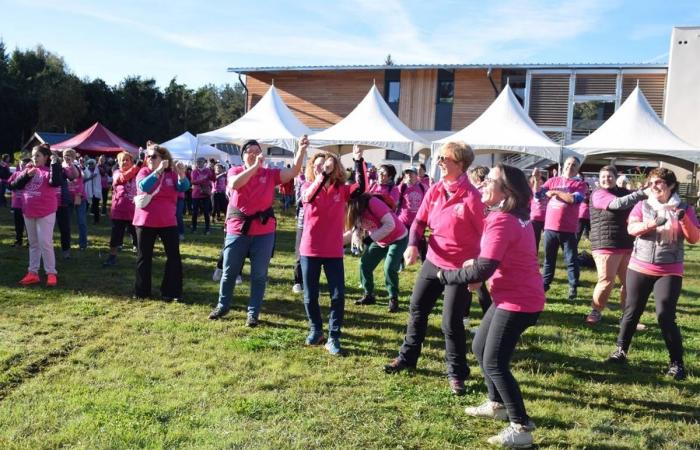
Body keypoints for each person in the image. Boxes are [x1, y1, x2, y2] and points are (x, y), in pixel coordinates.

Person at [437, 164, 543, 448]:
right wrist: (478, 265)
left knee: (495, 362)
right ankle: (496, 404)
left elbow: (483, 269)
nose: (482, 183)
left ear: (505, 191)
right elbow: (495, 259)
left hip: (518, 301)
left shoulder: (504, 220)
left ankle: (521, 427)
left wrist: (445, 276)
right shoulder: (512, 217)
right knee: (480, 348)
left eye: (489, 180)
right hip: (512, 296)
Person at [384, 142, 485, 396]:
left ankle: (457, 372)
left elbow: (486, 235)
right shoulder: (436, 189)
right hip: (433, 260)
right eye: (440, 157)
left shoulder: (472, 197)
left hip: (459, 269)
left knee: (451, 323)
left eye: (445, 158)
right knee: (417, 309)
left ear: (460, 164)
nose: (439, 161)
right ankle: (408, 357)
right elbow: (419, 221)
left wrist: (479, 270)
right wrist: (413, 245)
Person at [606, 168, 699, 381]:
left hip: (670, 269)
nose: (654, 186)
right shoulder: (643, 205)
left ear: (671, 185)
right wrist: (652, 223)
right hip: (640, 266)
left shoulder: (685, 207)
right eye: (651, 182)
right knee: (631, 312)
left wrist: (683, 219)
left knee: (665, 316)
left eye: (659, 182)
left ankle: (677, 363)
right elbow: (632, 229)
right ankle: (620, 352)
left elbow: (694, 238)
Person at [208, 138, 308, 326]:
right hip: (237, 229)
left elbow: (293, 172)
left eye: (257, 150)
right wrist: (254, 167)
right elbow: (236, 184)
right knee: (229, 272)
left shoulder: (269, 174)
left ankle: (253, 313)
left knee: (259, 275)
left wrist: (301, 151)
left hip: (263, 231)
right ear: (243, 155)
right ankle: (223, 305)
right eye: (249, 151)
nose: (253, 154)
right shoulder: (234, 170)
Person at [299, 144, 365, 355]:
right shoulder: (307, 186)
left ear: (336, 169)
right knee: (310, 295)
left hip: (333, 250)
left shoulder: (341, 190)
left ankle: (333, 336)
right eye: (318, 166)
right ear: (313, 169)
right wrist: (321, 176)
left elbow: (361, 187)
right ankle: (316, 329)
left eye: (326, 166)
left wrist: (357, 160)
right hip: (310, 248)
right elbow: (308, 197)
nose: (322, 169)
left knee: (338, 295)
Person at [586, 166, 647, 326]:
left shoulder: (624, 192)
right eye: (603, 177)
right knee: (606, 280)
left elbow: (638, 203)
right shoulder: (598, 194)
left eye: (610, 176)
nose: (607, 179)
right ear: (599, 180)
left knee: (629, 283)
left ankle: (628, 316)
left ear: (615, 177)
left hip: (626, 243)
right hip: (606, 244)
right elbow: (617, 205)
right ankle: (596, 310)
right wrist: (640, 194)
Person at [132, 144, 190, 301]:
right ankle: (142, 292)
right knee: (144, 257)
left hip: (168, 222)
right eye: (148, 156)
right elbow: (144, 186)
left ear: (163, 158)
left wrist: (182, 174)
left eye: (154, 156)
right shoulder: (143, 172)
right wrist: (158, 171)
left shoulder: (171, 174)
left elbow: (184, 187)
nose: (150, 159)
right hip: (145, 221)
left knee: (174, 257)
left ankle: (171, 291)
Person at [9, 144, 63, 286]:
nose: (34, 158)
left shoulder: (50, 170)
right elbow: (14, 185)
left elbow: (56, 182)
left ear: (46, 157)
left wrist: (55, 163)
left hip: (45, 212)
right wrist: (27, 175)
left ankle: (51, 273)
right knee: (33, 244)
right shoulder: (28, 169)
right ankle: (33, 273)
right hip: (29, 211)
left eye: (37, 155)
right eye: (33, 155)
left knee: (45, 243)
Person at [349, 192, 408, 312]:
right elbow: (357, 225)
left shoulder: (372, 203)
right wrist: (356, 234)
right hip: (380, 240)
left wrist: (369, 240)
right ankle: (369, 295)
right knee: (364, 265)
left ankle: (393, 299)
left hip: (397, 238)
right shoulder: (353, 209)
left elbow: (390, 225)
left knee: (389, 268)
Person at [539, 156, 587, 300]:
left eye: (573, 165)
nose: (570, 166)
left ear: (577, 169)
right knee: (549, 259)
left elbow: (574, 199)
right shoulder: (552, 181)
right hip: (550, 227)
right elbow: (538, 195)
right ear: (563, 166)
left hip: (568, 228)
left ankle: (573, 286)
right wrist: (536, 182)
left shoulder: (581, 184)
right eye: (568, 164)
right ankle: (545, 284)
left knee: (571, 260)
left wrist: (555, 193)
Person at [103, 151, 139, 267]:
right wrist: (136, 167)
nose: (125, 162)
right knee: (116, 235)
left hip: (134, 211)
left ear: (131, 161)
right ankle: (112, 257)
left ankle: (141, 257)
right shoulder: (116, 173)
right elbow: (123, 178)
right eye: (122, 160)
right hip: (119, 210)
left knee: (137, 235)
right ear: (118, 163)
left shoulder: (137, 173)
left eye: (127, 159)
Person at [395, 167, 427, 261]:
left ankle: (424, 262)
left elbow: (426, 203)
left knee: (421, 242)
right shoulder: (402, 187)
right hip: (403, 221)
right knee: (402, 243)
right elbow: (395, 201)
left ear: (416, 175)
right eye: (407, 173)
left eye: (411, 173)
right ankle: (400, 263)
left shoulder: (422, 187)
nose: (408, 175)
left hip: (417, 221)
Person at [63, 150, 88, 250]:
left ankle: (83, 244)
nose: (67, 157)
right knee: (66, 222)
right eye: (65, 156)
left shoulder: (78, 166)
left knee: (81, 221)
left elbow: (79, 175)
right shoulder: (62, 167)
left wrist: (71, 164)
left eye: (69, 156)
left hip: (80, 198)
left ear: (73, 157)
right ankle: (67, 243)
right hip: (68, 198)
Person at [8, 158, 30, 246]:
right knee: (18, 224)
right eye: (21, 164)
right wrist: (14, 185)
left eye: (24, 164)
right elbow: (9, 185)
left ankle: (30, 241)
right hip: (17, 203)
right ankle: (18, 240)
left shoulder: (31, 174)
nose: (22, 165)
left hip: (27, 204)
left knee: (29, 225)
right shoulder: (15, 174)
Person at [191, 157, 215, 234]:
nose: (198, 163)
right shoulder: (194, 171)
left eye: (200, 161)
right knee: (195, 212)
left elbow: (213, 179)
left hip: (205, 194)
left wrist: (213, 170)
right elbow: (193, 182)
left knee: (206, 212)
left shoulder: (208, 170)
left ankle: (207, 229)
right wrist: (204, 179)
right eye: (197, 161)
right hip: (196, 194)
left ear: (204, 162)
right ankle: (194, 228)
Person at [529, 169, 547, 251]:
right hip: (535, 219)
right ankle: (534, 258)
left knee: (549, 241)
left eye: (541, 182)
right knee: (535, 240)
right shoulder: (532, 192)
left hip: (547, 219)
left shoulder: (547, 191)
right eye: (537, 182)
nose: (539, 183)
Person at [83, 159, 102, 224]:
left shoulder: (97, 170)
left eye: (92, 164)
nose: (90, 165)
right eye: (89, 164)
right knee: (86, 205)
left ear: (94, 164)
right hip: (89, 191)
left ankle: (96, 220)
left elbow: (93, 176)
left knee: (95, 206)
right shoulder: (87, 171)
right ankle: (83, 218)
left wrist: (86, 179)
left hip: (96, 191)